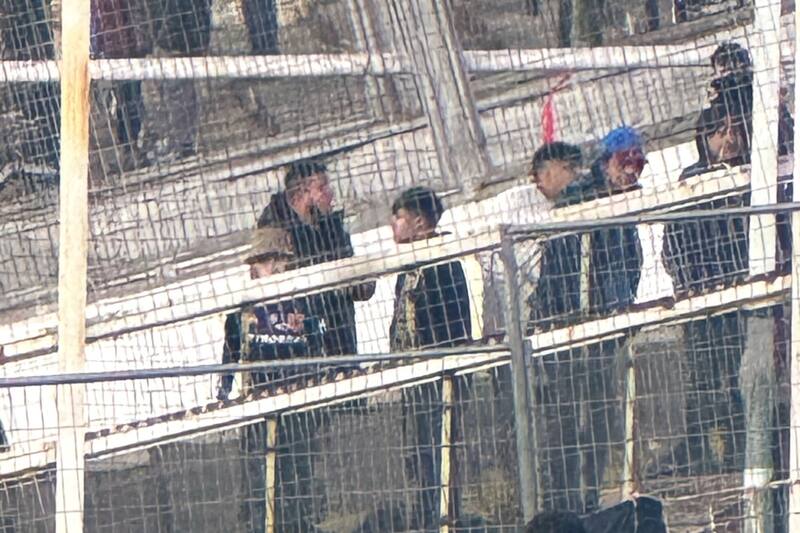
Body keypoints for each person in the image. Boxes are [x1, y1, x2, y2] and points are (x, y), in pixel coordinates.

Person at [529, 127, 644, 513]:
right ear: (606, 162)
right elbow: (559, 269)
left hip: (601, 331)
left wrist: (622, 306)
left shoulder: (619, 203)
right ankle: (561, 503)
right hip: (567, 327)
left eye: (638, 163)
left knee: (598, 420)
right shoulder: (581, 200)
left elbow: (630, 262)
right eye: (625, 162)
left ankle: (590, 497)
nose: (632, 171)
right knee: (563, 423)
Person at [218, 158, 374, 398]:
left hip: (339, 341)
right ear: (302, 193)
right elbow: (267, 294)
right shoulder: (273, 232)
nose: (330, 194)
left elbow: (359, 289)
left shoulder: (331, 227)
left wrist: (359, 277)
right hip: (293, 358)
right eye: (322, 188)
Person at [389, 187, 472, 530]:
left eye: (398, 218)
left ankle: (443, 518)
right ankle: (425, 516)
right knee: (418, 454)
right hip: (415, 377)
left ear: (419, 221)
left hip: (439, 373)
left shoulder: (440, 263)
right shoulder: (407, 267)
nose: (394, 226)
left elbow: (450, 321)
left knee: (440, 449)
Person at [481, 141, 583, 339]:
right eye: (568, 168)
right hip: (512, 291)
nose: (575, 175)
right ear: (546, 174)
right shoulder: (513, 203)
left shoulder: (573, 202)